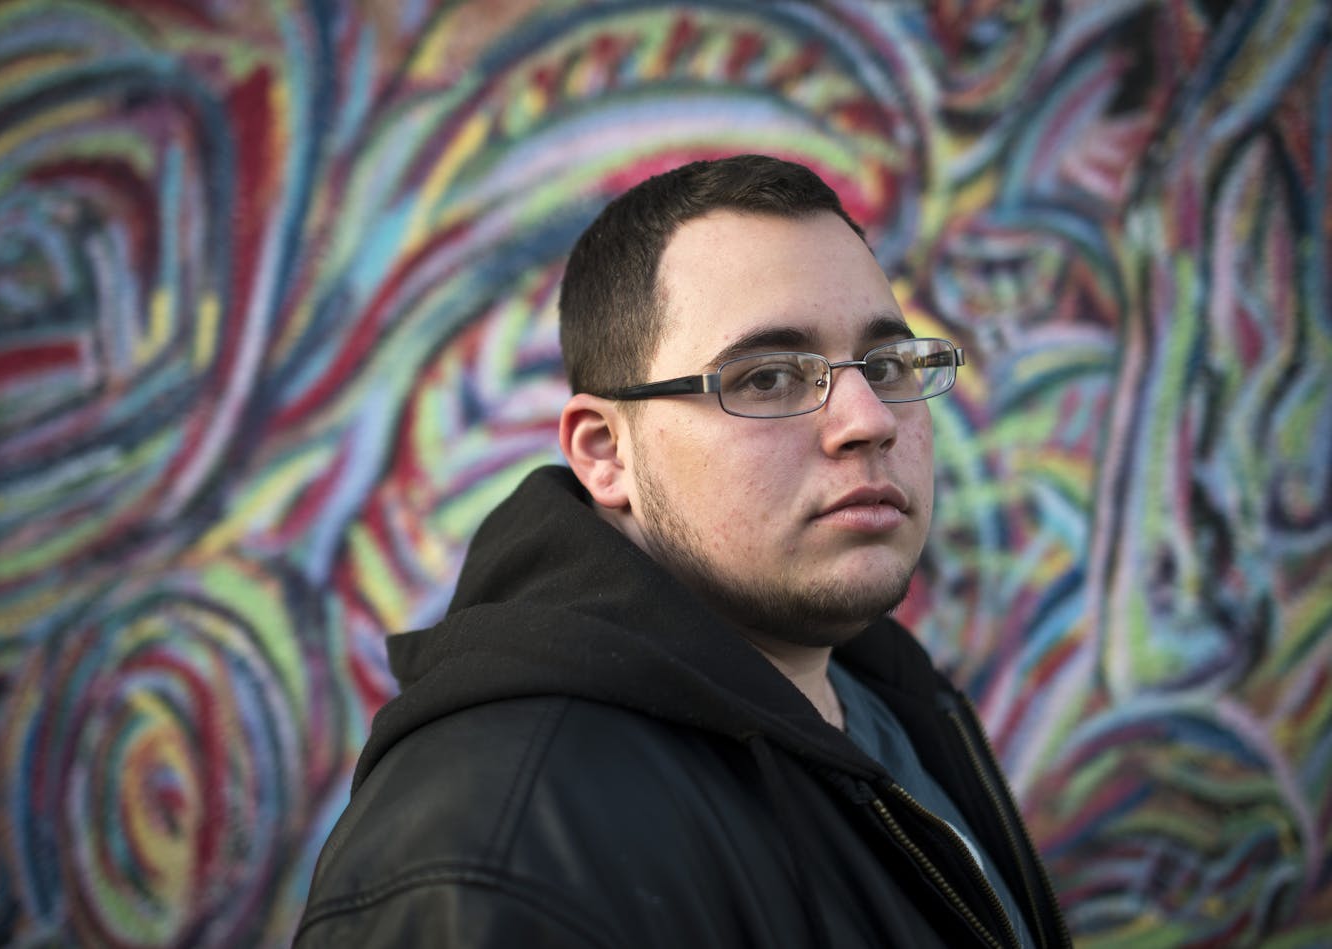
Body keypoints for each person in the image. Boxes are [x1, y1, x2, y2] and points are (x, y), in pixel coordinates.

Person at [295, 154, 1070, 948]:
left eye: (888, 364)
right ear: (605, 452)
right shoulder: (490, 855)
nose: (869, 419)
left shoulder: (889, 700)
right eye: (769, 378)